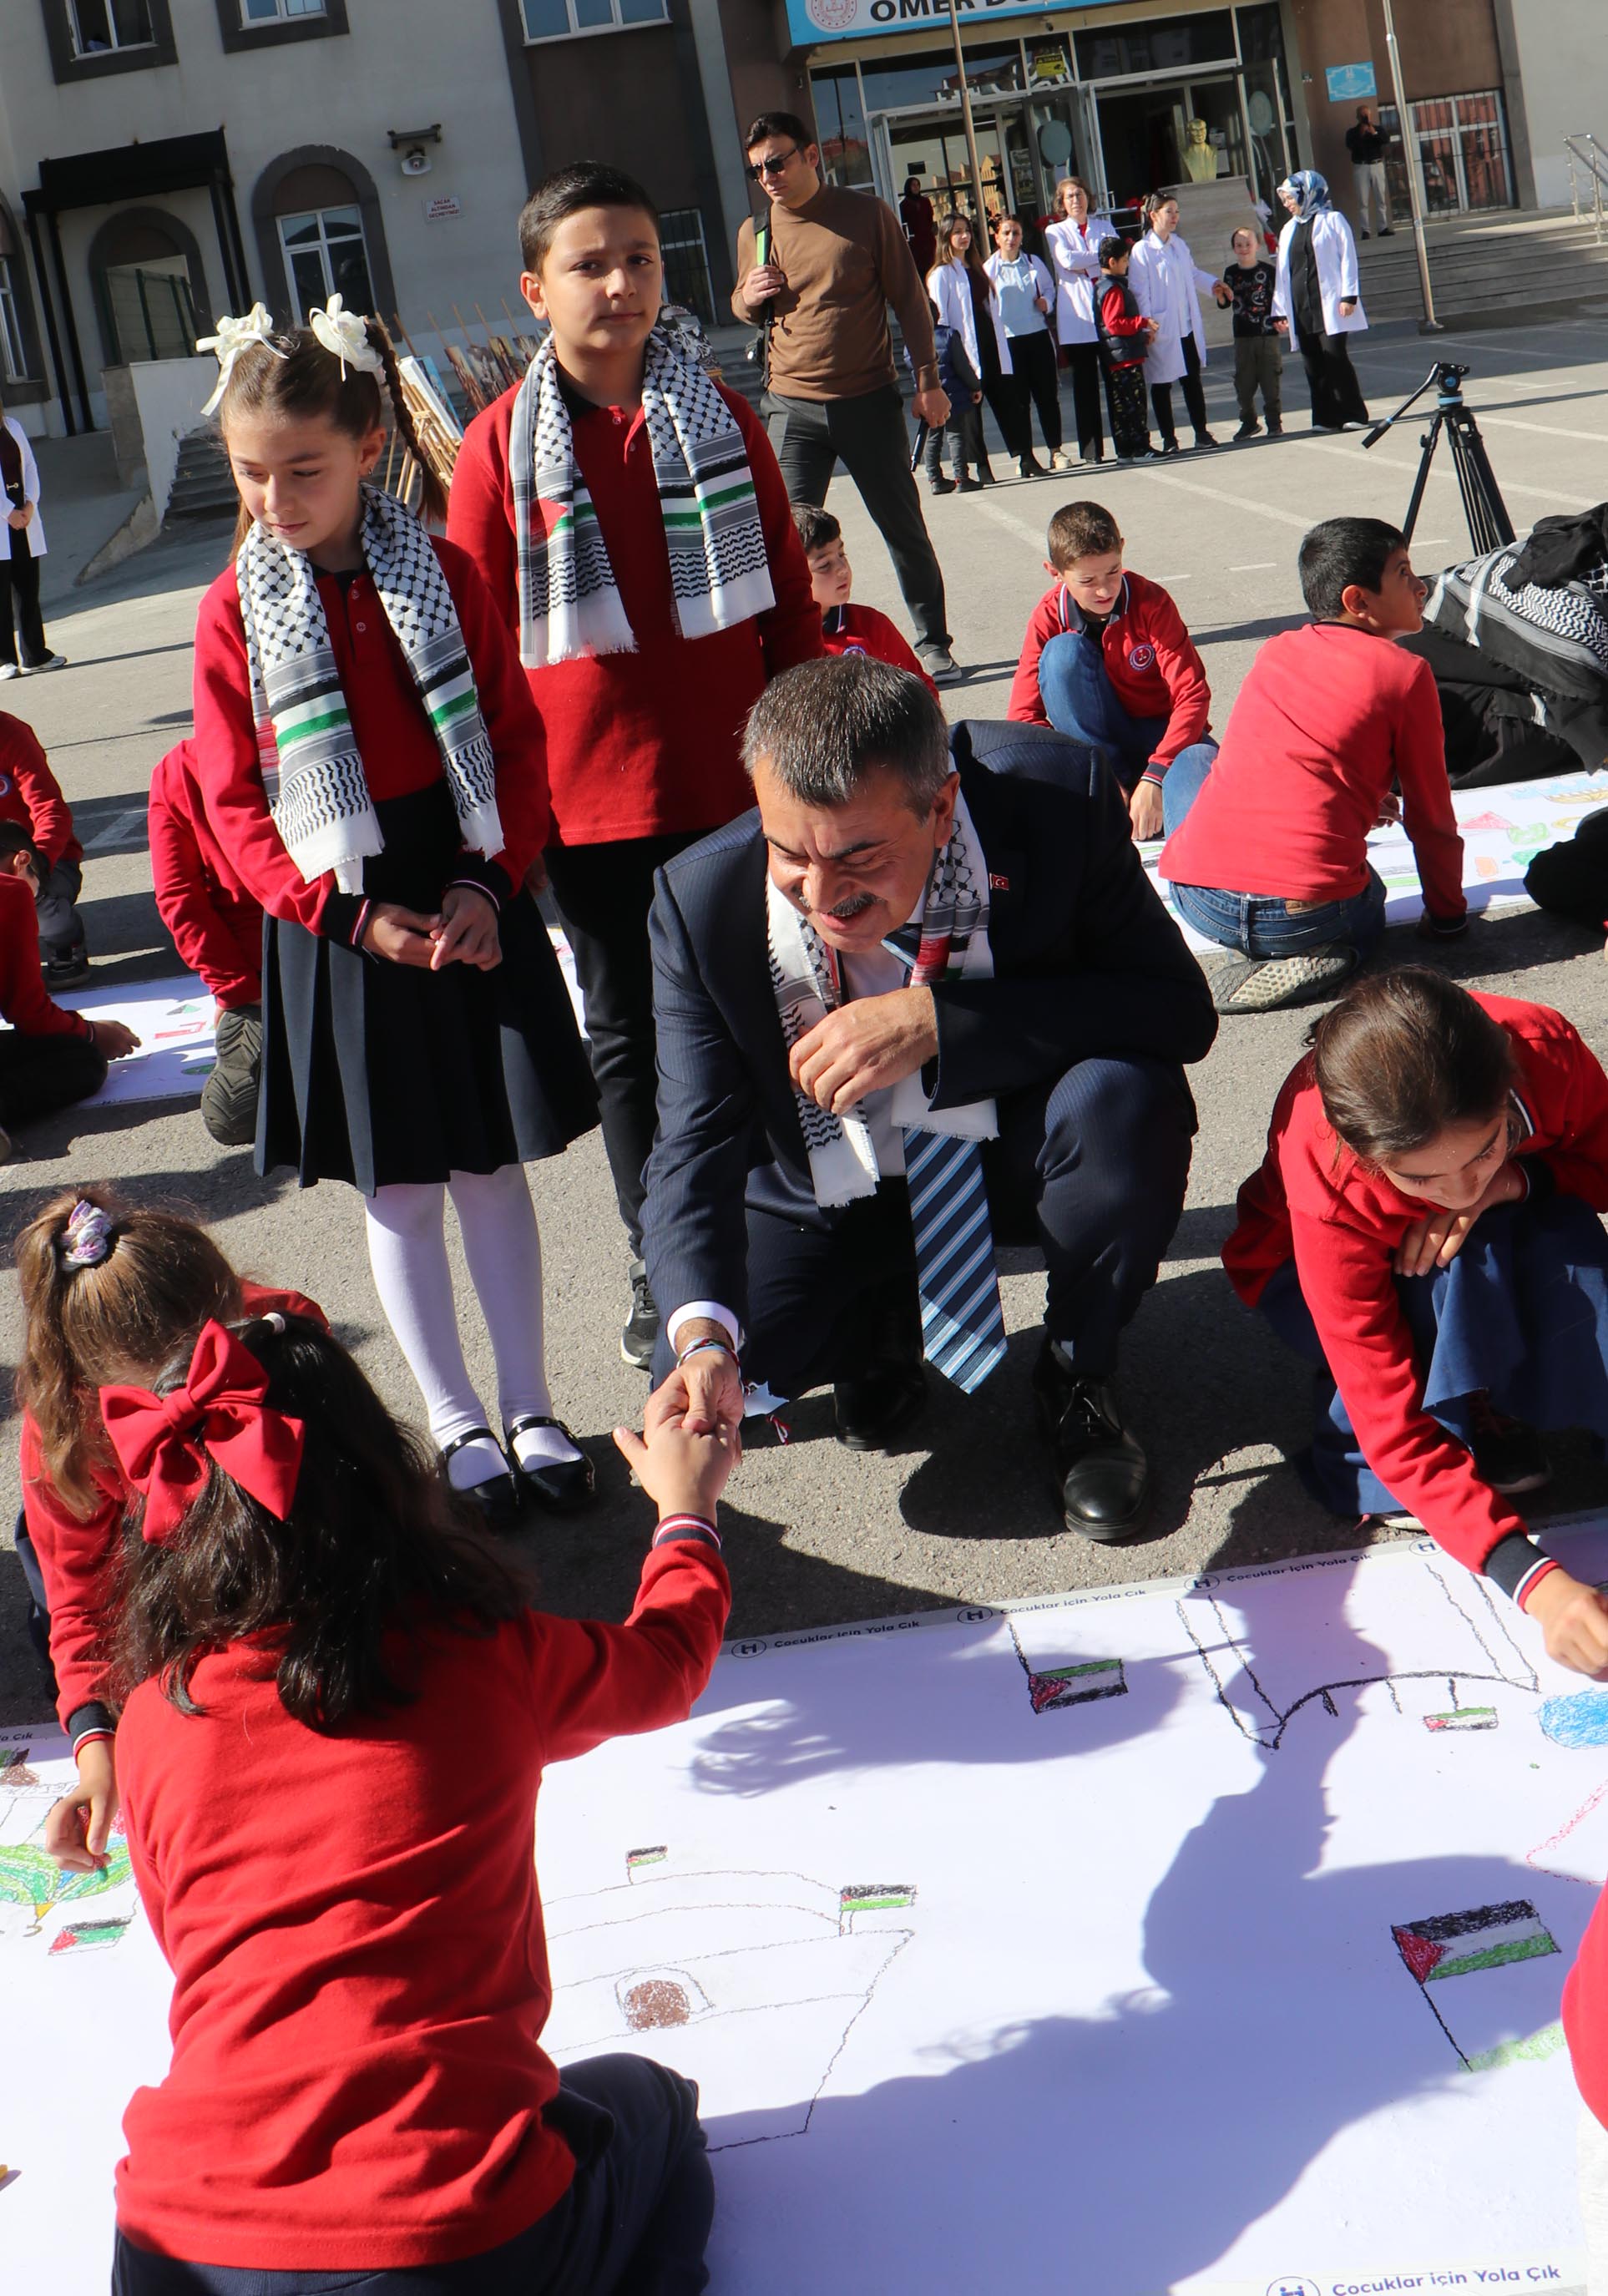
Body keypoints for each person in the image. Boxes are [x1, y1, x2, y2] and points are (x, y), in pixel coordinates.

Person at [56, 1306, 735, 2294]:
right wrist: (686, 1510)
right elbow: (670, 1659)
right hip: (446, 2230)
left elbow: (189, 1945)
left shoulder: (155, 1712)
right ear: (383, 1469)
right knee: (654, 2104)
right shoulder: (479, 1652)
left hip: (175, 2238)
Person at [639, 654, 1217, 1540]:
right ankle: (878, 1324)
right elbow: (691, 1141)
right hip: (824, 1188)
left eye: (859, 855)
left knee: (1123, 1101)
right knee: (737, 1358)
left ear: (942, 806)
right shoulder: (700, 896)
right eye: (788, 851)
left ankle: (1077, 1378)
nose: (821, 895)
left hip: (1013, 1151)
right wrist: (702, 1341)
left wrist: (944, 1020)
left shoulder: (1057, 798)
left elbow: (1177, 1010)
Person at [193, 297, 599, 1527]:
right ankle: (454, 1419)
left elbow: (517, 741)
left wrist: (490, 880)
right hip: (343, 911)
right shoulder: (230, 613)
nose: (275, 499)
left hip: (460, 872)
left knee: (487, 1164)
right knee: (402, 1185)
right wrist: (342, 916)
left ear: (370, 450)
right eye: (252, 474)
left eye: (303, 469)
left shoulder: (449, 571)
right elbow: (230, 799)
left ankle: (530, 1403)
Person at [448, 163, 821, 1374]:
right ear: (533, 289)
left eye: (641, 258)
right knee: (632, 1047)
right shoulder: (501, 448)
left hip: (734, 791)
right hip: (586, 812)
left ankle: (782, 1236)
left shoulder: (719, 414)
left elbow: (789, 610)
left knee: (762, 1017)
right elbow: (467, 650)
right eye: (589, 264)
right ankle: (658, 1259)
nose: (619, 283)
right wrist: (499, 817)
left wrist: (808, 764)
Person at [1225, 968, 1608, 1679]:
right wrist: (1536, 1582)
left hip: (1504, 1224)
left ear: (1508, 1091)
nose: (1457, 1191)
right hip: (1305, 1275)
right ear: (1364, 1155)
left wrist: (1517, 1180)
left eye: (1487, 1146)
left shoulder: (1542, 1046)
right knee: (1442, 1271)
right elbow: (1388, 1416)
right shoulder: (1324, 1160)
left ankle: (1491, 1389)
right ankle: (1467, 1407)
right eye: (1420, 1178)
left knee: (1551, 1239)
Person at [18, 1188, 321, 1865]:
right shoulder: (64, 1433)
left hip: (255, 1539)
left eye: (203, 1386)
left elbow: (357, 1488)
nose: (185, 1410)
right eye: (162, 1410)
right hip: (129, 1551)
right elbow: (80, 1607)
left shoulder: (283, 1329)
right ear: (95, 1388)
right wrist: (99, 1751)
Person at [1159, 516, 1465, 1014]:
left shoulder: (1276, 649)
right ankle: (1329, 954)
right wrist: (1449, 918)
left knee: (1196, 758)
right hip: (1301, 915)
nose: (1421, 585)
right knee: (1368, 894)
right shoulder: (1406, 674)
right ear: (1357, 601)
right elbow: (1432, 818)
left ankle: (1254, 945)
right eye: (1404, 572)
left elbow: (1273, 761)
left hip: (1200, 902)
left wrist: (1363, 797)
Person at [732, 112, 961, 687]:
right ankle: (791, 656)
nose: (768, 175)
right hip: (791, 405)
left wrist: (929, 382)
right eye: (758, 167)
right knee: (783, 540)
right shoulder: (755, 231)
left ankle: (933, 643)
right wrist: (747, 295)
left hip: (867, 397)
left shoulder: (866, 216)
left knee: (901, 525)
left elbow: (910, 302)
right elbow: (742, 304)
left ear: (812, 156)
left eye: (778, 161)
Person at [1009, 501, 1215, 846]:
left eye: (1113, 572)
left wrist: (1158, 773)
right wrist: (1087, 775)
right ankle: (1112, 791)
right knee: (1062, 655)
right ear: (1054, 572)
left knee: (1208, 787)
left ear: (1122, 549)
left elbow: (1192, 695)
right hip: (1097, 749)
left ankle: (1156, 807)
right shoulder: (1048, 616)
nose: (1104, 590)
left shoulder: (1151, 601)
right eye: (1087, 580)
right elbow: (1024, 716)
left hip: (1163, 738)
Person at [148, 737, 265, 1149]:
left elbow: (179, 896)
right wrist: (237, 989)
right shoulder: (181, 768)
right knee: (231, 1115)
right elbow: (180, 897)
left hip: (349, 940)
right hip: (265, 969)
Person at [0, 832, 133, 1163]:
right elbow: (30, 1013)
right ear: (22, 862)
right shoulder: (11, 891)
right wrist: (92, 1033)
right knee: (81, 1059)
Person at [791, 502, 939, 697]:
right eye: (824, 565)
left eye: (842, 554)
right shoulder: (769, 642)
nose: (843, 568)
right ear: (788, 575)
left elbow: (920, 690)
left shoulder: (871, 625)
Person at [927, 213, 1029, 478]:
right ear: (946, 237)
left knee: (1008, 400)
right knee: (970, 410)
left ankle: (1025, 456)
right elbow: (941, 319)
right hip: (964, 350)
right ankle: (982, 466)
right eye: (958, 232)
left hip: (990, 343)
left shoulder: (977, 269)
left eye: (967, 231)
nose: (964, 236)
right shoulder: (941, 274)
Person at [1127, 194, 1230, 455]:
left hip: (1186, 324)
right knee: (1162, 383)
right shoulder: (1142, 250)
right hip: (1161, 325)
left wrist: (1213, 284)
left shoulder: (1179, 245)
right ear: (1153, 215)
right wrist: (1147, 324)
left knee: (1191, 379)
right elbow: (1140, 290)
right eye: (1169, 212)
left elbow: (1192, 273)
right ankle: (1169, 438)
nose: (1174, 217)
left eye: (1177, 212)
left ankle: (1201, 432)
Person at [1273, 172, 1369, 432]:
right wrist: (1279, 310)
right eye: (1284, 198)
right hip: (1301, 304)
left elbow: (1348, 258)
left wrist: (1349, 295)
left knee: (1335, 356)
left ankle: (1354, 413)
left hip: (1330, 303)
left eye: (1290, 197)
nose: (1286, 203)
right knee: (1312, 361)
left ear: (1307, 193)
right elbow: (1283, 272)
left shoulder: (1334, 220)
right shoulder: (1288, 229)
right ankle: (1325, 417)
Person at [0, 705, 87, 980]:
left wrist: (37, 865)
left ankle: (65, 940)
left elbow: (51, 810)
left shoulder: (10, 733)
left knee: (31, 894)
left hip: (45, 858)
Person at [1043, 177, 1114, 467]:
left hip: (1107, 310)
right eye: (1069, 196)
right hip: (1077, 317)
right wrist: (1100, 257)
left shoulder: (1103, 225)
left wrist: (1097, 259)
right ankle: (1091, 450)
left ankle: (1126, 442)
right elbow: (1067, 260)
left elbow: (1116, 256)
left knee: (1115, 380)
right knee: (1085, 387)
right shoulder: (1054, 231)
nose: (1076, 200)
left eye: (1080, 194)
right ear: (1062, 202)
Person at [985, 215, 1060, 478]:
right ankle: (1026, 456)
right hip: (1009, 342)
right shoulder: (988, 270)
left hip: (1037, 335)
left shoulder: (1033, 263)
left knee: (1047, 397)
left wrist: (1047, 304)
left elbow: (1050, 291)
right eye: (1006, 233)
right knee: (1019, 403)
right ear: (997, 237)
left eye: (1015, 233)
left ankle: (1056, 450)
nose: (1011, 238)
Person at [0, 393, 65, 679]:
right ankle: (4, 661)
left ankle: (35, 655)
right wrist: (7, 512)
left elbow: (30, 467)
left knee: (27, 590)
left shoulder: (12, 425)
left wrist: (29, 504)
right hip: (4, 517)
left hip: (23, 513)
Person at [913, 291, 986, 493]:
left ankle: (935, 478)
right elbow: (962, 366)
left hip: (929, 398)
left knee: (933, 437)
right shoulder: (948, 335)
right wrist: (975, 386)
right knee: (956, 435)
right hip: (954, 395)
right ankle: (961, 477)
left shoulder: (912, 343)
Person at [1094, 236, 1157, 463]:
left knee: (1122, 405)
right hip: (1124, 357)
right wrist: (1141, 323)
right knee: (1134, 403)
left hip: (1118, 354)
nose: (1127, 264)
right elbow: (1114, 323)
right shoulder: (1112, 289)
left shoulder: (1105, 286)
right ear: (1112, 262)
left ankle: (1126, 449)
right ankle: (1140, 447)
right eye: (1124, 260)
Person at [1224, 225, 1282, 442]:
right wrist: (1222, 293)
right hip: (1242, 336)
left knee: (1270, 380)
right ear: (1234, 248)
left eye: (1248, 243)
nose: (1244, 248)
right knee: (1244, 382)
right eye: (1239, 245)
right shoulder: (1231, 273)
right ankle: (1248, 421)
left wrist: (1281, 320)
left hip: (1267, 334)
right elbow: (1224, 303)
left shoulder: (1268, 271)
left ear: (1257, 245)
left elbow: (1279, 300)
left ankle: (1274, 423)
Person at [1344, 104, 1393, 238]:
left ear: (1370, 116)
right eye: (1362, 115)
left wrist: (1373, 132)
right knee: (1363, 200)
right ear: (1357, 117)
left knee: (1380, 198)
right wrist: (1361, 134)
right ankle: (1365, 230)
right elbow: (1350, 146)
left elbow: (1385, 141)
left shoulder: (1378, 129)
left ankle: (1383, 228)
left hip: (1377, 164)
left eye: (1367, 115)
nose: (1365, 118)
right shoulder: (1352, 132)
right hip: (1361, 167)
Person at [900, 173, 938, 276]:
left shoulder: (925, 202)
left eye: (917, 185)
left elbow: (930, 219)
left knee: (931, 268)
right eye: (913, 185)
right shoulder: (904, 205)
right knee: (919, 270)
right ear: (909, 187)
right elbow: (904, 225)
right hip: (915, 243)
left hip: (927, 240)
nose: (916, 187)